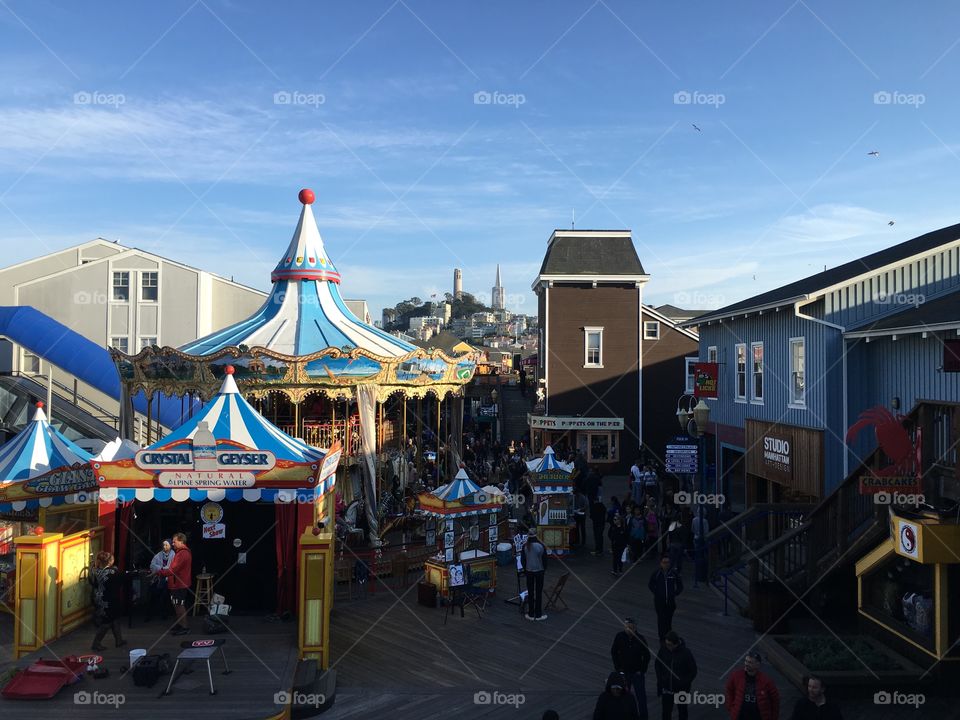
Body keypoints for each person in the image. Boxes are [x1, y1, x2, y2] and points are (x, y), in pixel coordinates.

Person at [611, 617, 651, 719]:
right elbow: (614, 652)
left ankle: (643, 717)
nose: (628, 629)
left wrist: (642, 670)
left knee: (641, 698)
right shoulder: (619, 636)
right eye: (626, 627)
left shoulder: (640, 639)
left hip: (637, 673)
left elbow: (647, 655)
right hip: (623, 672)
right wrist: (618, 667)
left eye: (630, 627)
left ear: (635, 628)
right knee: (623, 696)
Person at [724, 650, 780, 720]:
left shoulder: (767, 681)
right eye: (746, 661)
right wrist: (731, 708)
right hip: (740, 716)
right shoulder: (736, 676)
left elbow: (775, 700)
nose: (746, 664)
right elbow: (729, 689)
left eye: (750, 662)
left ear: (758, 664)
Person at [655, 631, 697, 720]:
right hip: (667, 689)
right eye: (666, 644)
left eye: (669, 645)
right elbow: (657, 664)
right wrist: (660, 679)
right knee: (666, 713)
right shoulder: (663, 649)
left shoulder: (686, 653)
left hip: (682, 690)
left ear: (676, 644)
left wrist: (684, 683)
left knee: (682, 712)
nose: (667, 646)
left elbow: (693, 671)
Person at [89, 551, 126, 651]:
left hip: (99, 597)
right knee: (107, 622)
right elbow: (122, 579)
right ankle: (96, 644)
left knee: (115, 618)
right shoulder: (112, 572)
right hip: (108, 599)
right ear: (110, 561)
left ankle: (119, 640)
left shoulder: (94, 570)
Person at [158, 532, 192, 635]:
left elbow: (172, 570)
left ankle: (185, 627)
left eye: (174, 542)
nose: (172, 544)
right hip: (177, 584)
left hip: (179, 585)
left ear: (181, 541)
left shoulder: (183, 553)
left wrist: (159, 572)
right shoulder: (181, 552)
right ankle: (181, 624)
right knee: (176, 605)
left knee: (179, 605)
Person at [648, 556, 683, 643]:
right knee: (661, 620)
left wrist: (675, 593)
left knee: (668, 621)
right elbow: (650, 584)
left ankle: (668, 638)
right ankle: (662, 639)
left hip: (670, 602)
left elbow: (680, 585)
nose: (666, 564)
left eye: (667, 562)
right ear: (661, 563)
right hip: (659, 602)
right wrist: (657, 593)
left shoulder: (674, 573)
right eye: (664, 562)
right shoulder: (657, 573)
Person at [521, 527, 548, 621]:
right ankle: (539, 614)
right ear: (536, 535)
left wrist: (525, 570)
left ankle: (531, 613)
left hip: (529, 572)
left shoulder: (525, 546)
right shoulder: (541, 546)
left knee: (531, 592)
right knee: (539, 592)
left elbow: (523, 561)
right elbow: (545, 560)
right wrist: (544, 569)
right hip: (539, 571)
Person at [147, 539, 174, 621]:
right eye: (163, 545)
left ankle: (164, 614)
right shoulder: (158, 555)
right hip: (158, 579)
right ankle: (149, 615)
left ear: (170, 546)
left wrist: (160, 569)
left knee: (165, 596)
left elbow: (171, 568)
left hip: (168, 579)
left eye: (166, 545)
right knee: (153, 596)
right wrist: (162, 568)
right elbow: (152, 565)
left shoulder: (174, 555)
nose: (164, 546)